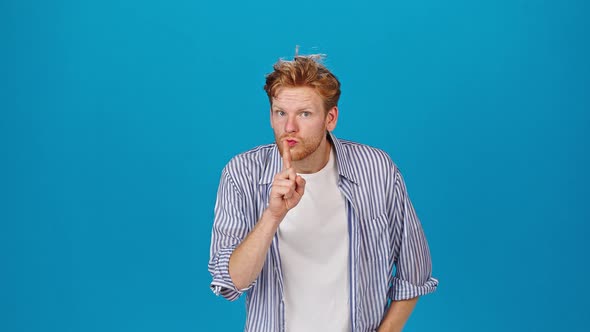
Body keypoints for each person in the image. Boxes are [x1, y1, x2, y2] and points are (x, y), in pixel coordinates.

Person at [208, 54, 438, 332]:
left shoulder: (377, 170)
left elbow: (415, 271)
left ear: (331, 118)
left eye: (305, 114)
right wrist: (272, 216)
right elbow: (231, 282)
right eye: (280, 112)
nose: (289, 127)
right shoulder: (241, 174)